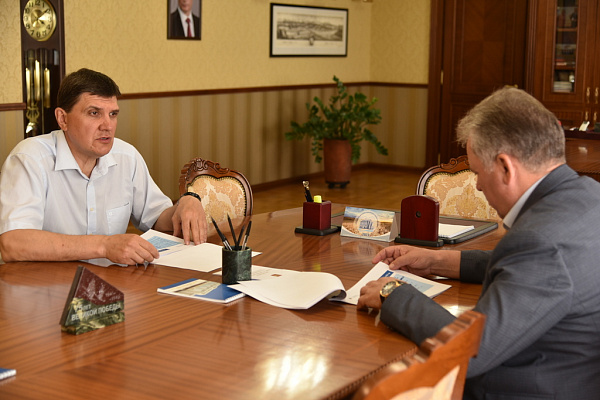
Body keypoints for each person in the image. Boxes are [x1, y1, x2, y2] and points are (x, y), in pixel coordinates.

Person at [357, 87, 600, 399]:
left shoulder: (539, 241)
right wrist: (437, 260)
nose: (479, 185)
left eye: (477, 172)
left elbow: (474, 350)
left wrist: (392, 293)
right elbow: (533, 274)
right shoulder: (588, 196)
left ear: (505, 167)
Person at [0, 68, 208, 265]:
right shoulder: (30, 159)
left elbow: (156, 218)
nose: (107, 125)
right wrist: (104, 245)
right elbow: (13, 244)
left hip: (112, 282)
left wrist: (185, 203)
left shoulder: (126, 156)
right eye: (94, 113)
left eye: (113, 114)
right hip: (45, 284)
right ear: (62, 119)